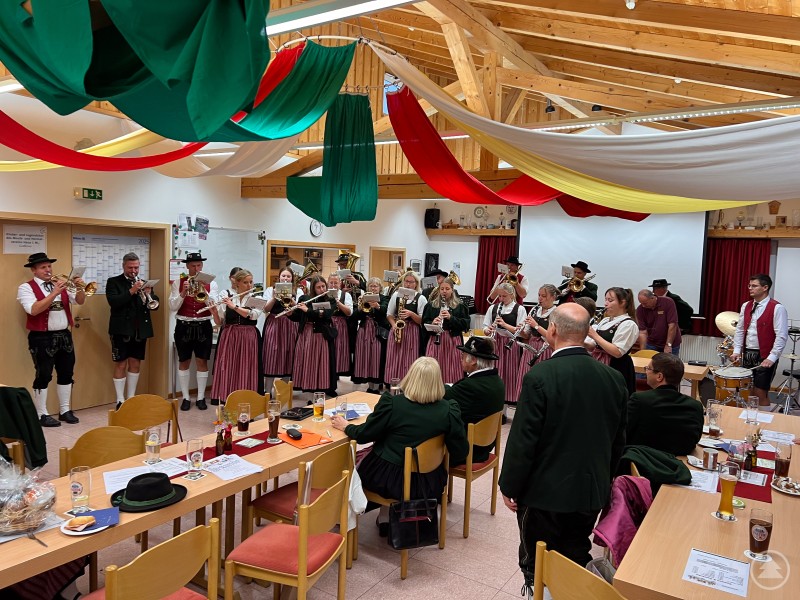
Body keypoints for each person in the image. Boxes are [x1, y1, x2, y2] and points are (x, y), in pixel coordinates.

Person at [500, 304, 627, 594]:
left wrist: (510, 485)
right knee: (575, 551)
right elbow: (618, 440)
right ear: (585, 334)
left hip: (545, 492)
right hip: (590, 488)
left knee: (538, 558)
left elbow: (524, 440)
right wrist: (603, 481)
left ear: (553, 330)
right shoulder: (613, 378)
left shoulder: (541, 376)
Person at [330, 357, 468, 534]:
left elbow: (365, 434)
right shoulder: (449, 409)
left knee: (355, 463)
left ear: (410, 377)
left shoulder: (393, 404)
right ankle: (386, 517)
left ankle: (347, 515)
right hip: (430, 481)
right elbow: (461, 450)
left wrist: (346, 425)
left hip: (390, 480)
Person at [16, 252, 86, 426]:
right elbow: (34, 309)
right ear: (33, 270)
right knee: (43, 374)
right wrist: (54, 292)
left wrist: (79, 288)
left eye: (49, 266)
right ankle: (41, 414)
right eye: (43, 267)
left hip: (64, 335)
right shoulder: (26, 288)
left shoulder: (59, 283)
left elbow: (79, 301)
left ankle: (65, 410)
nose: (48, 270)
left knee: (66, 373)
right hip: (41, 337)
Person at [106, 252, 159, 410]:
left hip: (139, 330)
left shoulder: (144, 283)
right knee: (121, 364)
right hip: (121, 330)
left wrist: (150, 294)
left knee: (135, 363)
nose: (134, 271)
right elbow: (114, 302)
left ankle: (131, 397)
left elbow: (154, 304)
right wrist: (132, 290)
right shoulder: (113, 282)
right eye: (130, 268)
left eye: (136, 267)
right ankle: (120, 400)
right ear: (123, 266)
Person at [168, 252, 219, 411]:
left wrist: (204, 291)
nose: (196, 269)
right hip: (184, 324)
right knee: (184, 361)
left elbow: (213, 306)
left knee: (202, 361)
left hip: (204, 325)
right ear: (187, 266)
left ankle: (202, 397)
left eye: (199, 265)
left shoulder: (212, 284)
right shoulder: (178, 282)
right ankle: (185, 397)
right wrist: (183, 293)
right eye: (193, 266)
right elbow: (172, 306)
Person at [627, 352, 703, 456]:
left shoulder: (640, 400)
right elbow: (695, 440)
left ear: (659, 376)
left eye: (648, 369)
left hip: (642, 461)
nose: (646, 372)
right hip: (681, 463)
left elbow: (624, 432)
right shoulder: (695, 406)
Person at [731, 273, 789, 407]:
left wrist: (772, 357)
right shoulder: (746, 306)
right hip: (748, 353)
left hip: (765, 355)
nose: (750, 288)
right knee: (749, 390)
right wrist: (737, 350)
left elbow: (781, 335)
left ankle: (764, 422)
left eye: (754, 286)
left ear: (765, 288)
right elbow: (740, 330)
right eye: (749, 285)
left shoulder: (777, 308)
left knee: (760, 392)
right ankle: (751, 418)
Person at [444, 336, 505, 463]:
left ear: (473, 360)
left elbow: (443, 395)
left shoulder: (471, 386)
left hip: (467, 450)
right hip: (485, 445)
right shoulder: (497, 381)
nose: (460, 359)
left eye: (463, 356)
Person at [208, 269, 263, 405]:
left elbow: (252, 315)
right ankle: (227, 401)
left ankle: (246, 402)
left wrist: (234, 306)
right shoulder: (227, 295)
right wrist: (214, 312)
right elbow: (220, 322)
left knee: (246, 368)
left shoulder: (257, 297)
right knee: (228, 367)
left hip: (248, 336)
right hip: (230, 336)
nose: (249, 285)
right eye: (245, 282)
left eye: (251, 282)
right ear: (237, 283)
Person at [290, 276, 337, 397]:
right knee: (307, 361)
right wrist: (290, 313)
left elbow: (325, 315)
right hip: (306, 334)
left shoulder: (330, 300)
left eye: (323, 286)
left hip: (321, 335)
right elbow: (298, 317)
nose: (322, 289)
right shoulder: (305, 298)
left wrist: (308, 310)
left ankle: (321, 388)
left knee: (321, 362)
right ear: (313, 289)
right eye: (318, 287)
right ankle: (308, 388)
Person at [586, 287, 639, 395]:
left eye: (610, 300)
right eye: (605, 300)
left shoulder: (628, 324)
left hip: (615, 367)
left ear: (623, 303)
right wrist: (579, 340)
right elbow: (594, 346)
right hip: (598, 363)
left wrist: (594, 335)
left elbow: (617, 352)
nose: (606, 304)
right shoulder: (605, 320)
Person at [511, 284, 558, 404]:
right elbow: (527, 335)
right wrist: (520, 331)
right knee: (526, 377)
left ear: (553, 297)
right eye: (539, 295)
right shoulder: (534, 310)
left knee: (541, 381)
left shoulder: (557, 313)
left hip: (546, 349)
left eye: (544, 296)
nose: (540, 299)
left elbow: (553, 337)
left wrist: (536, 325)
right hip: (530, 347)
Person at [482, 283, 526, 405]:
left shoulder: (520, 309)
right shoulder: (493, 308)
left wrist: (505, 325)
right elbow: (485, 326)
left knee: (509, 374)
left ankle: (506, 405)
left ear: (512, 295)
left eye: (504, 296)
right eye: (499, 296)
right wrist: (488, 330)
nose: (501, 299)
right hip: (496, 343)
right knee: (495, 372)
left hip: (511, 345)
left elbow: (522, 332)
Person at [422, 277, 470, 383]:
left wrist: (451, 318)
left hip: (452, 341)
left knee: (451, 368)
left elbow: (466, 325)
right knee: (433, 366)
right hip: (435, 340)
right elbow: (424, 323)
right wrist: (433, 323)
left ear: (452, 290)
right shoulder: (431, 305)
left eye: (447, 289)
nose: (444, 291)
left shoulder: (460, 306)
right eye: (442, 289)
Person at [385, 270, 428, 384]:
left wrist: (411, 314)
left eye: (411, 282)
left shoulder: (421, 298)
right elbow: (389, 314)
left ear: (416, 284)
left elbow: (422, 320)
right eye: (406, 281)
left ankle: (408, 385)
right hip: (397, 329)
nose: (408, 284)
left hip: (412, 331)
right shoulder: (396, 295)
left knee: (410, 359)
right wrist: (394, 325)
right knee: (394, 357)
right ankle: (393, 383)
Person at [262, 267, 301, 392]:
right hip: (274, 324)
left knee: (288, 355)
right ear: (279, 277)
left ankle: (282, 392)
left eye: (288, 276)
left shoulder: (298, 291)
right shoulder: (270, 290)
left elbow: (300, 309)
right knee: (271, 355)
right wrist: (274, 297)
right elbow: (265, 309)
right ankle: (267, 391)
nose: (285, 278)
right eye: (283, 276)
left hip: (290, 325)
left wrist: (291, 297)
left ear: (292, 279)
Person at [352, 277, 390, 393]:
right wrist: (361, 306)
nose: (373, 288)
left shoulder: (384, 298)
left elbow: (386, 311)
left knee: (377, 357)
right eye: (371, 286)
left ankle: (376, 386)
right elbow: (355, 316)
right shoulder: (363, 298)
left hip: (377, 331)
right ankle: (370, 386)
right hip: (364, 331)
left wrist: (377, 306)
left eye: (375, 286)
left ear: (380, 288)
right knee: (365, 357)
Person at [636, 288, 681, 355]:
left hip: (671, 342)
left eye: (645, 303)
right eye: (641, 303)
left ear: (652, 298)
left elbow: (672, 325)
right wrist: (642, 351)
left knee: (669, 364)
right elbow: (643, 332)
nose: (643, 306)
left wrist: (668, 345)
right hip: (652, 343)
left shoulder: (668, 302)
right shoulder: (640, 310)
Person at [326, 273, 354, 376]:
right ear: (328, 283)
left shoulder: (345, 295)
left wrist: (338, 302)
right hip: (327, 324)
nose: (333, 285)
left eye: (336, 283)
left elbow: (349, 312)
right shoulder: (324, 294)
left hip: (340, 325)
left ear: (340, 284)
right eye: (331, 283)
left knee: (339, 349)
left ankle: (336, 374)